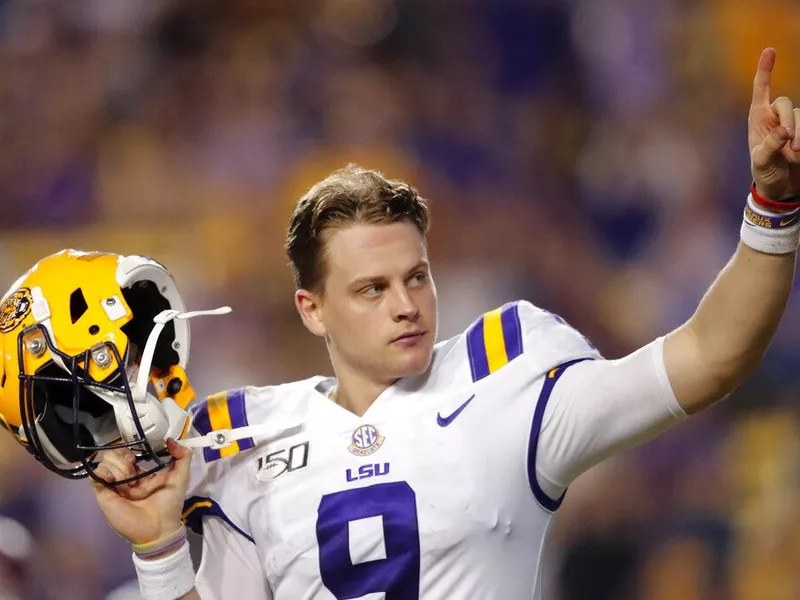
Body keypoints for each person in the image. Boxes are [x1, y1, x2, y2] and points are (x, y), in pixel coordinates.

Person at [0, 48, 797, 599]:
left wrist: (772, 206)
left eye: (416, 276)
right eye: (371, 289)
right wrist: (159, 548)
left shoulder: (509, 372)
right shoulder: (238, 442)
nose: (407, 303)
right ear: (311, 308)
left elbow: (710, 355)